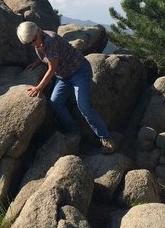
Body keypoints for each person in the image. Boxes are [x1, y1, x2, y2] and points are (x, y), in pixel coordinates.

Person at [17, 21, 115, 152]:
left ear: (38, 30)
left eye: (34, 40)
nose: (33, 43)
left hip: (79, 71)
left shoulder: (50, 40)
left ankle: (105, 138)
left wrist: (39, 87)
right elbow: (48, 56)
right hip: (64, 76)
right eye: (30, 43)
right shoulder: (38, 39)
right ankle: (74, 131)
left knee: (84, 106)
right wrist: (38, 61)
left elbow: (52, 69)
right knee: (55, 102)